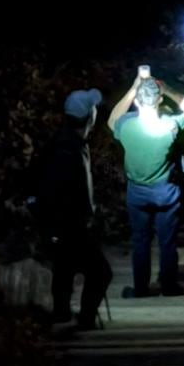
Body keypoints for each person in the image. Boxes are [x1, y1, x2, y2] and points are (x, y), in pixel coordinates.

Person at [108, 68, 184, 298]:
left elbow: (112, 119)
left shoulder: (126, 125)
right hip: (166, 193)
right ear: (159, 101)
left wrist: (133, 87)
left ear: (138, 103)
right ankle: (170, 286)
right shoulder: (170, 125)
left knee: (140, 241)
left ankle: (141, 288)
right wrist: (166, 88)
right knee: (167, 241)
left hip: (137, 194)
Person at [31, 87, 113, 329]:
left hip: (61, 226)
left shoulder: (67, 143)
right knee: (99, 272)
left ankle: (62, 314)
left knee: (64, 269)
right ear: (89, 117)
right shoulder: (68, 150)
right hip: (69, 226)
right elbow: (61, 192)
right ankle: (83, 320)